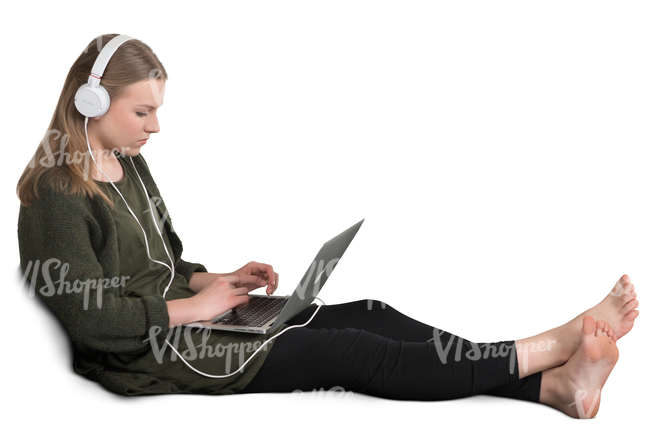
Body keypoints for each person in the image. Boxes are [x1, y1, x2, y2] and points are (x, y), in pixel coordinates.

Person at [16, 34, 639, 418]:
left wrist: (222, 279)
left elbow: (164, 266)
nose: (156, 127)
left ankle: (553, 393)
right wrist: (195, 310)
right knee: (352, 352)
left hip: (183, 317)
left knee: (369, 313)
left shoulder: (129, 165)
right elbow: (93, 320)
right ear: (91, 101)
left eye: (158, 112)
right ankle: (550, 349)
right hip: (146, 354)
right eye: (143, 111)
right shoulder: (56, 194)